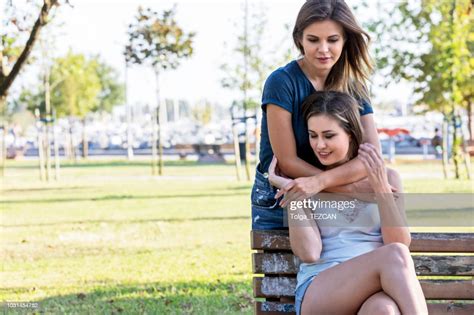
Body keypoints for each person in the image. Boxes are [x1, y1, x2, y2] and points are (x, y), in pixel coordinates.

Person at [269, 91, 428, 315]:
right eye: (313, 135)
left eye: (329, 135)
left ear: (351, 134)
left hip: (373, 290)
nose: (319, 145)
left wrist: (380, 188)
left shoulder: (388, 178)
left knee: (384, 310)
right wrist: (292, 190)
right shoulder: (306, 184)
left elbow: (399, 241)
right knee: (395, 255)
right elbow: (309, 253)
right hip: (322, 290)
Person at [251, 0, 382, 230]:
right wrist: (350, 190)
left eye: (332, 40)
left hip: (341, 203)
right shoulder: (281, 82)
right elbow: (288, 162)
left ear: (345, 40)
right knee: (299, 264)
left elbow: (371, 156)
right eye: (313, 40)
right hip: (283, 197)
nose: (323, 49)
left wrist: (321, 183)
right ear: (299, 39)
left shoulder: (355, 86)